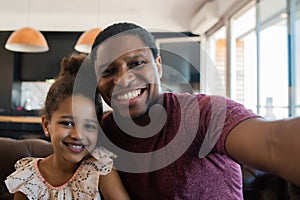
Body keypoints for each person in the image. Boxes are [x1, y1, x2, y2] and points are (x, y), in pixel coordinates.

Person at [89, 22, 300, 199]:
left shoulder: (203, 113)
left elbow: (273, 141)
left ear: (159, 66)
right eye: (108, 71)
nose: (123, 79)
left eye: (136, 63)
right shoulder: (103, 132)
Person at [5, 53, 130, 200]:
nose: (78, 135)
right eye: (67, 123)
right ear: (46, 125)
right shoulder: (28, 176)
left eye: (89, 126)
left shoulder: (99, 169)